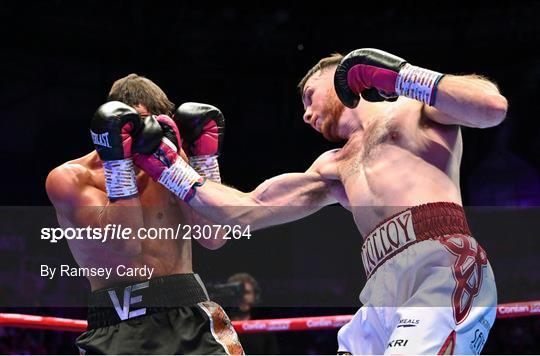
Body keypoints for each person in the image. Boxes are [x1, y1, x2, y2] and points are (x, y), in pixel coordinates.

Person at [129, 48, 507, 354]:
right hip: (380, 292)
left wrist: (402, 76)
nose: (307, 115)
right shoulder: (334, 167)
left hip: (441, 266)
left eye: (310, 97)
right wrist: (173, 168)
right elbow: (237, 215)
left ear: (338, 73)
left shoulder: (415, 111)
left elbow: (491, 107)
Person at [45, 74, 243, 354]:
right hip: (116, 325)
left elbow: (214, 237)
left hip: (191, 315)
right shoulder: (72, 179)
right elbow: (127, 243)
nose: (151, 135)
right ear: (119, 124)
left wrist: (200, 162)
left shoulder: (171, 165)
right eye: (141, 126)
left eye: (159, 126)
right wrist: (118, 160)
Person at [227, 273, 279, 355]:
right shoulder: (220, 326)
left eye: (247, 292)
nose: (243, 297)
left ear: (255, 296)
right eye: (239, 293)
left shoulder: (264, 327)